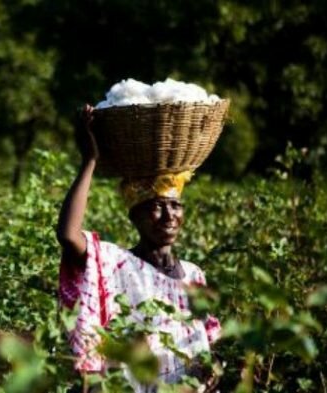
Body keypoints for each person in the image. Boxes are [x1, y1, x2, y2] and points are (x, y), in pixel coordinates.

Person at [56, 104, 222, 392]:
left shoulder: (194, 276)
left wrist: (213, 369)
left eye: (175, 206)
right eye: (157, 207)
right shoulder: (118, 264)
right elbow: (69, 235)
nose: (169, 215)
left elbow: (209, 345)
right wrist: (90, 159)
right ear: (135, 216)